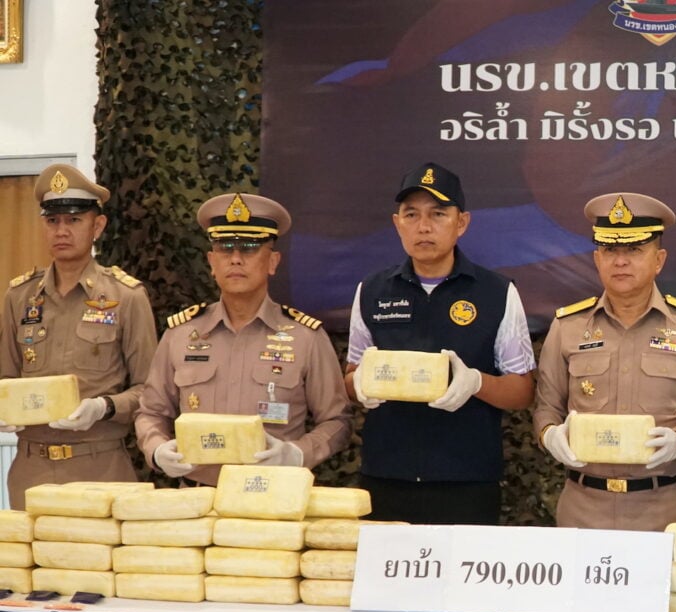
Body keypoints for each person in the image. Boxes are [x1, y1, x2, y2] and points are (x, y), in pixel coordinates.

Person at [344, 162, 535, 524]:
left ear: (461, 223)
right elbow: (351, 376)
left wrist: (476, 382)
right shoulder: (372, 291)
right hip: (387, 476)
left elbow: (523, 390)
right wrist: (359, 384)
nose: (424, 226)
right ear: (397, 223)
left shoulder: (496, 292)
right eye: (411, 214)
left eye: (438, 214)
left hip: (466, 480)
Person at [136, 192, 351, 485]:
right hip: (197, 495)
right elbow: (150, 411)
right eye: (225, 249)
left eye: (249, 248)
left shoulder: (305, 338)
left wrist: (297, 454)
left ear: (273, 261)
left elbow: (337, 421)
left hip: (272, 493)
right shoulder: (181, 334)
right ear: (211, 262)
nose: (236, 259)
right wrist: (157, 449)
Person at [534, 192, 676, 531]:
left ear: (659, 260)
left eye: (633, 250)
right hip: (582, 508)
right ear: (596, 259)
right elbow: (546, 409)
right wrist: (550, 435)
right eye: (609, 250)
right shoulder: (567, 327)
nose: (620, 261)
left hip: (660, 508)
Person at [0, 164, 157, 509]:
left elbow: (150, 391)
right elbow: (6, 378)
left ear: (97, 226)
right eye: (52, 221)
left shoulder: (126, 297)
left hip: (100, 466)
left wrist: (105, 407)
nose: (61, 230)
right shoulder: (19, 297)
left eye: (73, 220)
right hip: (31, 469)